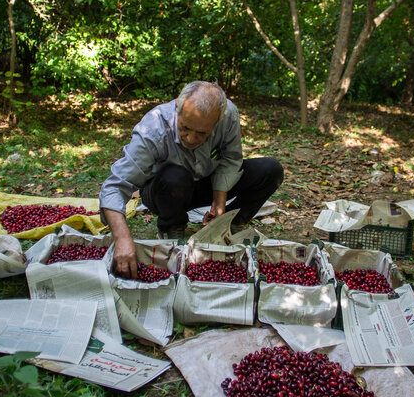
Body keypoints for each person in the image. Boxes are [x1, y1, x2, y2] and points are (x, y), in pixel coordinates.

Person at [99, 81, 284, 278]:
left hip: (204, 181)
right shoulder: (154, 128)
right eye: (185, 128)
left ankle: (228, 224)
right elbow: (114, 187)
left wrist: (219, 201)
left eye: (202, 133)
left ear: (218, 119)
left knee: (271, 170)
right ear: (177, 109)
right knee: (175, 177)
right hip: (165, 190)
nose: (190, 138)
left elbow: (231, 159)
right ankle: (172, 226)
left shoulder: (228, 114)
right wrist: (122, 239)